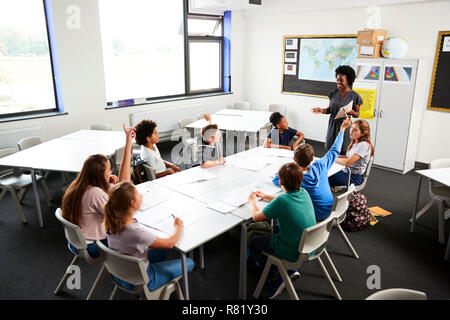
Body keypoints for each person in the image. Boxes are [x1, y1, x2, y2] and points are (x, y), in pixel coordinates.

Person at [104, 181, 194, 294]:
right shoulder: (137, 233)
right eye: (138, 194)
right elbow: (170, 243)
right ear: (132, 203)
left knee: (161, 251)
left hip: (118, 274)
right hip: (141, 281)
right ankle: (148, 293)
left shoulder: (112, 222)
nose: (141, 195)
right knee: (189, 262)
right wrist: (178, 227)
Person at [61, 124, 135, 258]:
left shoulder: (79, 184)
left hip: (76, 241)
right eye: (109, 170)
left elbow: (120, 185)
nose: (111, 172)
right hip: (91, 246)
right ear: (99, 174)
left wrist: (109, 184)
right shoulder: (95, 193)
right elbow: (120, 217)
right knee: (135, 239)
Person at [248, 162, 316, 299]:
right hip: (311, 244)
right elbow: (285, 200)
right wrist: (267, 196)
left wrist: (252, 202)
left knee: (253, 243)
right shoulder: (303, 192)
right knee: (276, 229)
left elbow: (256, 217)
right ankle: (288, 271)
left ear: (280, 181)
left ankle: (273, 275)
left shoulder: (282, 202)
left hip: (294, 252)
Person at [272, 118, 352, 221]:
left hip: (313, 215)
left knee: (285, 205)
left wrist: (288, 167)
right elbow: (335, 150)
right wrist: (342, 129)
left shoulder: (295, 177)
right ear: (312, 159)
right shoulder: (321, 165)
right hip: (329, 210)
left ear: (293, 159)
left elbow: (276, 180)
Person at [311, 65, 363, 155]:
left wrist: (352, 112)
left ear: (348, 80)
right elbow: (330, 109)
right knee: (330, 149)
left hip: (345, 125)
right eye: (337, 80)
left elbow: (357, 114)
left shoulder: (354, 96)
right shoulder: (333, 93)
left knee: (342, 150)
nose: (339, 82)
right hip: (332, 125)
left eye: (341, 80)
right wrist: (322, 110)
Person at [328, 119, 374, 188]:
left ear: (363, 133)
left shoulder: (364, 145)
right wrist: (335, 156)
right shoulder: (355, 142)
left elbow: (347, 162)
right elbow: (349, 158)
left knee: (323, 178)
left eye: (355, 130)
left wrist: (332, 158)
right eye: (351, 128)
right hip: (346, 172)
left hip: (353, 177)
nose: (351, 131)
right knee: (325, 173)